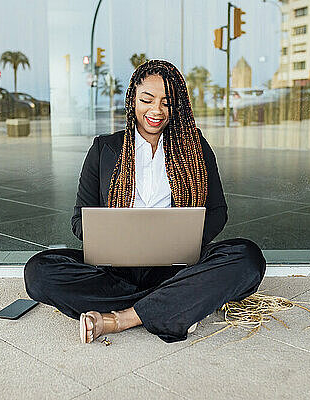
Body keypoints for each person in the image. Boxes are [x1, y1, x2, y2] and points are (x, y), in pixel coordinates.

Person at [24, 59, 266, 344]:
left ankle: (120, 319)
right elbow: (79, 219)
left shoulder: (196, 146)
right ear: (132, 100)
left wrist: (184, 239)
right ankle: (175, 304)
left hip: (178, 267)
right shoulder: (105, 149)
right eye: (147, 100)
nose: (156, 111)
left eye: (166, 102)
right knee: (38, 272)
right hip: (116, 270)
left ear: (178, 106)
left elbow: (217, 211)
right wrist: (112, 235)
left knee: (248, 258)